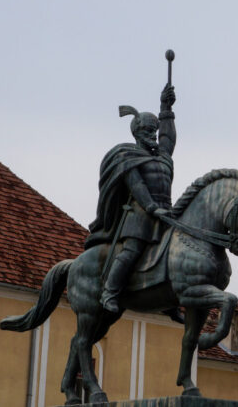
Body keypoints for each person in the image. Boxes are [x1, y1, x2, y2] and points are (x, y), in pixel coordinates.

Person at [86, 85, 176, 313]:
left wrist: (166, 109)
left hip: (166, 212)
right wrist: (152, 208)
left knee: (176, 252)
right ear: (137, 133)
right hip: (139, 214)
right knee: (132, 251)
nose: (153, 134)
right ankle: (110, 290)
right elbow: (137, 186)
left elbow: (168, 137)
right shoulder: (127, 157)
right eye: (147, 130)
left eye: (154, 129)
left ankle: (169, 299)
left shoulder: (163, 157)